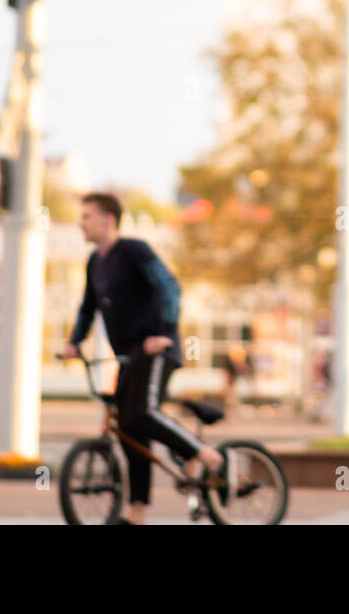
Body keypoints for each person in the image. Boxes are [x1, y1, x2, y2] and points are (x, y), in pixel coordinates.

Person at [62, 192, 225, 525]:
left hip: (156, 348)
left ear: (108, 220)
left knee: (142, 412)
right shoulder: (95, 262)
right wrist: (73, 342)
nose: (81, 223)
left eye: (87, 216)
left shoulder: (134, 250)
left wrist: (163, 332)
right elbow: (87, 308)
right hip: (127, 356)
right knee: (128, 428)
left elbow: (169, 287)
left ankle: (206, 455)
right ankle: (136, 514)